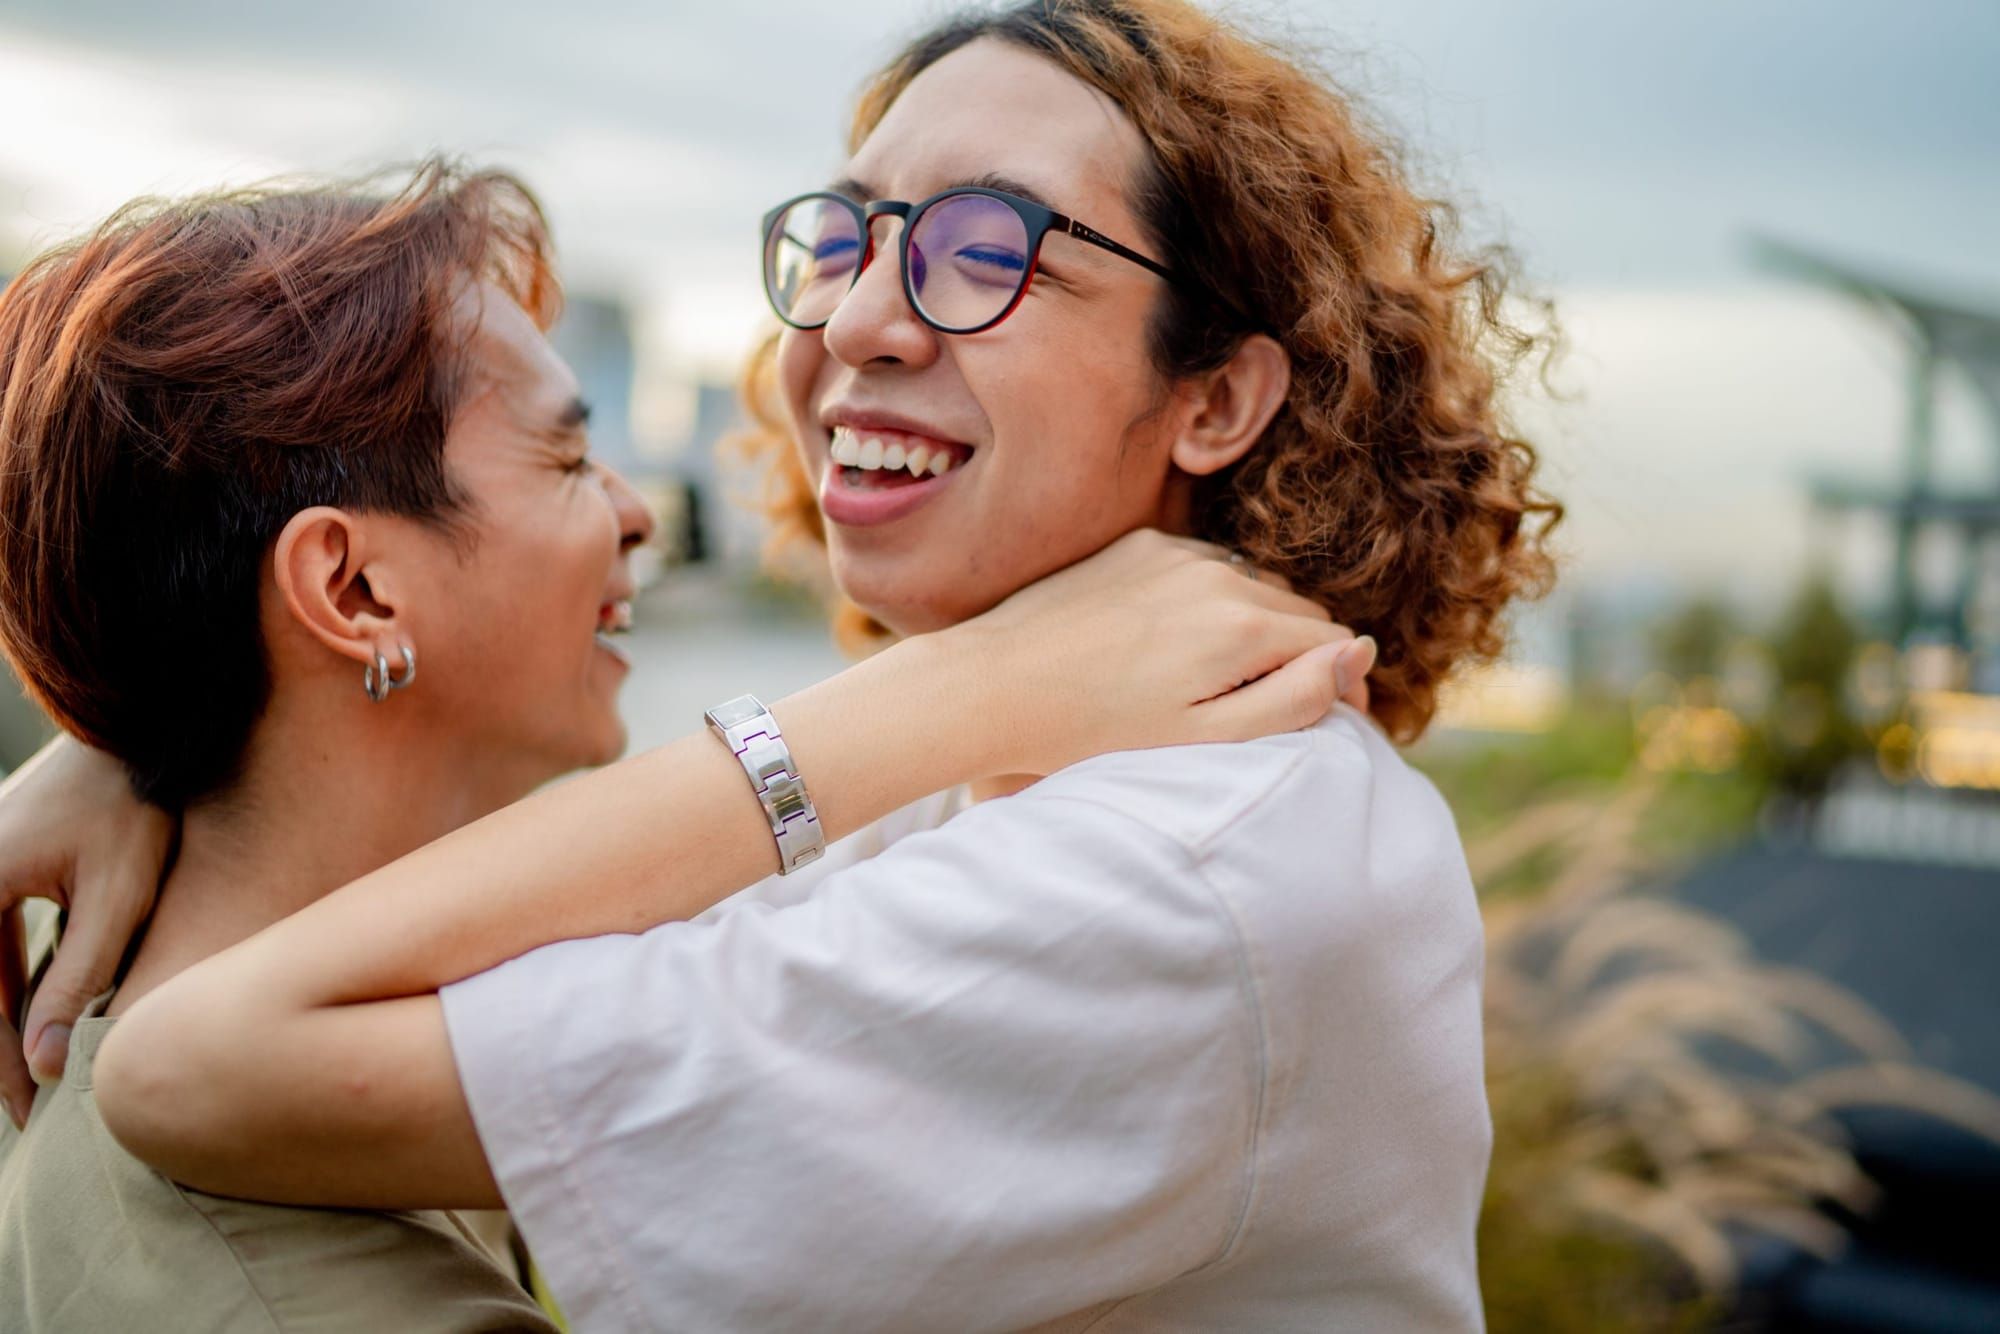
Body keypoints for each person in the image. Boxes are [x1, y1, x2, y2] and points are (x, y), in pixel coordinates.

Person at [10, 1, 1560, 1328]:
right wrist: (167, 721)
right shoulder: (989, 784)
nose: (860, 319)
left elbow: (198, 1070)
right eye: (849, 237)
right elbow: (562, 876)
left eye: (984, 249)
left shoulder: (1188, 874)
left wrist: (957, 684)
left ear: (1215, 398)